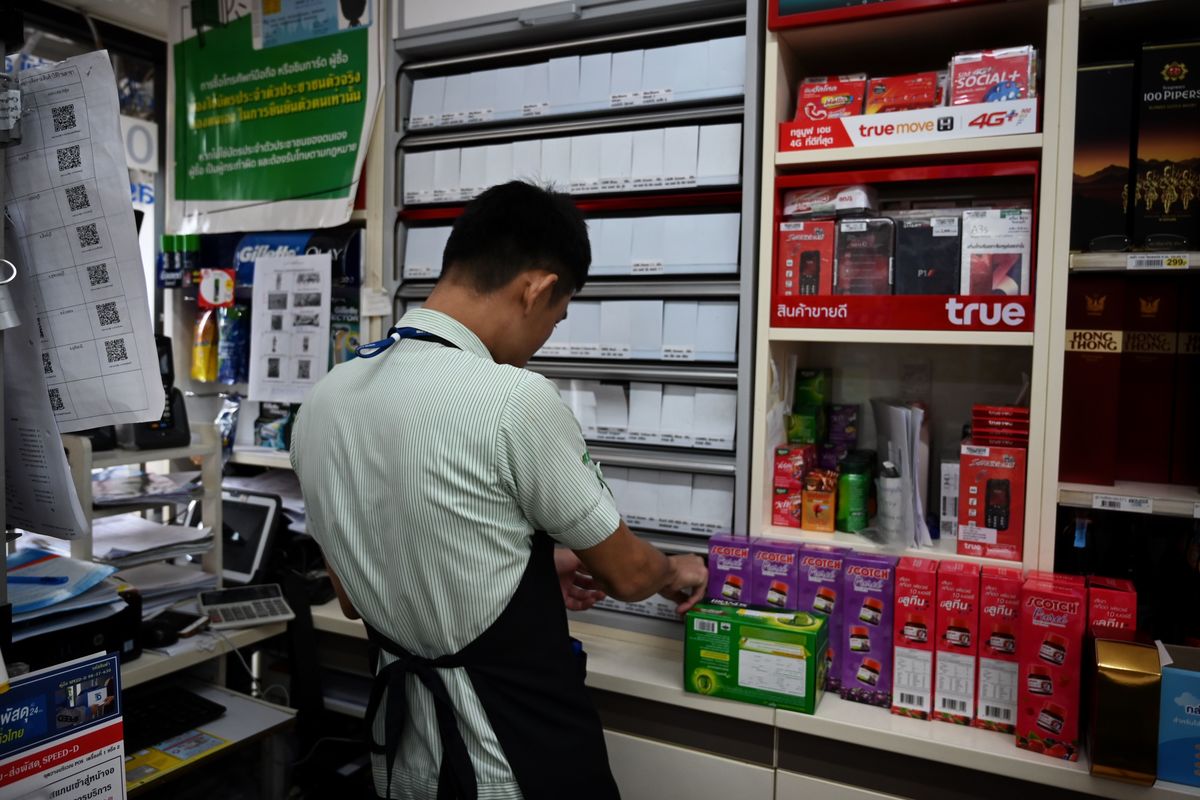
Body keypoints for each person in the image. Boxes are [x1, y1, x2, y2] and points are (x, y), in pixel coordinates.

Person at [291, 180, 708, 800]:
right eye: (554, 318)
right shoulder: (514, 399)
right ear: (536, 287)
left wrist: (532, 567)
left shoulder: (323, 402)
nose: (545, 340)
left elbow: (359, 595)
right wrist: (673, 567)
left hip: (403, 759)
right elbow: (625, 573)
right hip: (513, 759)